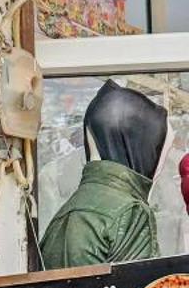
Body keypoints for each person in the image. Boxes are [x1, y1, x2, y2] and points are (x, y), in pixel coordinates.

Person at [40, 81, 167, 268]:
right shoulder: (131, 211)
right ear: (140, 147)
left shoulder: (73, 207)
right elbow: (140, 285)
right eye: (156, 148)